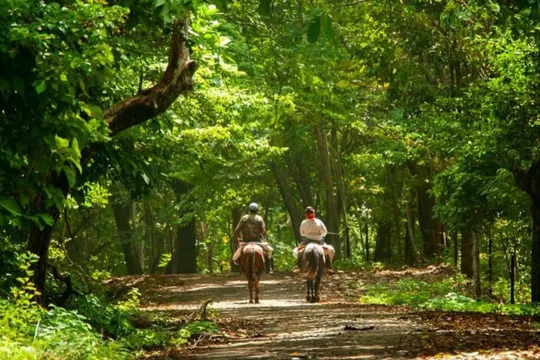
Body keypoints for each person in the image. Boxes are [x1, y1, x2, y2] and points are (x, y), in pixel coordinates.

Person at [232, 202, 274, 274]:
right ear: (257, 210)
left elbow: (237, 230)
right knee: (270, 250)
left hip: (245, 242)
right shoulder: (260, 218)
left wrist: (236, 238)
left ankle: (238, 266)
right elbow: (263, 231)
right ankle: (269, 267)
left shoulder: (244, 218)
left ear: (249, 210)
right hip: (258, 242)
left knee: (235, 257)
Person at [293, 206, 335, 274]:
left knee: (296, 251)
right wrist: (320, 233)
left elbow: (301, 233)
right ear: (314, 213)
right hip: (319, 241)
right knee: (330, 250)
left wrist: (308, 233)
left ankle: (299, 266)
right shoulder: (319, 221)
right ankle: (328, 266)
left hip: (306, 241)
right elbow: (325, 232)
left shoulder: (303, 222)